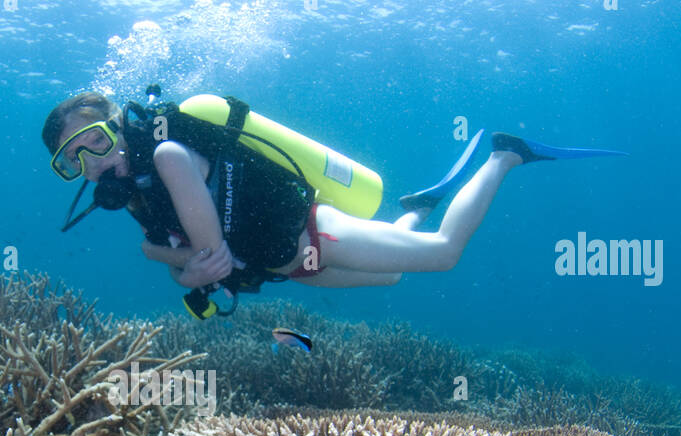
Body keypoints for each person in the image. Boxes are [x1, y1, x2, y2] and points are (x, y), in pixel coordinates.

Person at [42, 90, 623, 313]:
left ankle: (504, 154)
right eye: (75, 159)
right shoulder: (137, 197)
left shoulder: (166, 154)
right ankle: (419, 203)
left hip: (317, 234)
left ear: (118, 124)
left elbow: (205, 249)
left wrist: (196, 263)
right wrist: (184, 268)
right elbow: (182, 256)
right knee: (394, 278)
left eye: (96, 140)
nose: (93, 163)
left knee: (444, 254)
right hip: (291, 268)